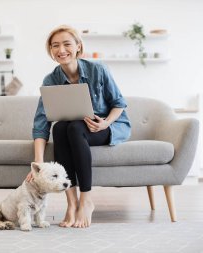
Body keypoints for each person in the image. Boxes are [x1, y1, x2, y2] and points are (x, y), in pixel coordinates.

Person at [27, 25, 131, 228]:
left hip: (107, 126)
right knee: (60, 128)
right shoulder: (51, 80)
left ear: (78, 47)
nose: (61, 50)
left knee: (74, 127)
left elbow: (119, 103)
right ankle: (72, 203)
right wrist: (38, 163)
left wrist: (105, 123)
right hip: (76, 130)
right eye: (55, 45)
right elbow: (41, 125)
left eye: (67, 44)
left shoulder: (98, 70)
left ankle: (86, 200)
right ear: (51, 51)